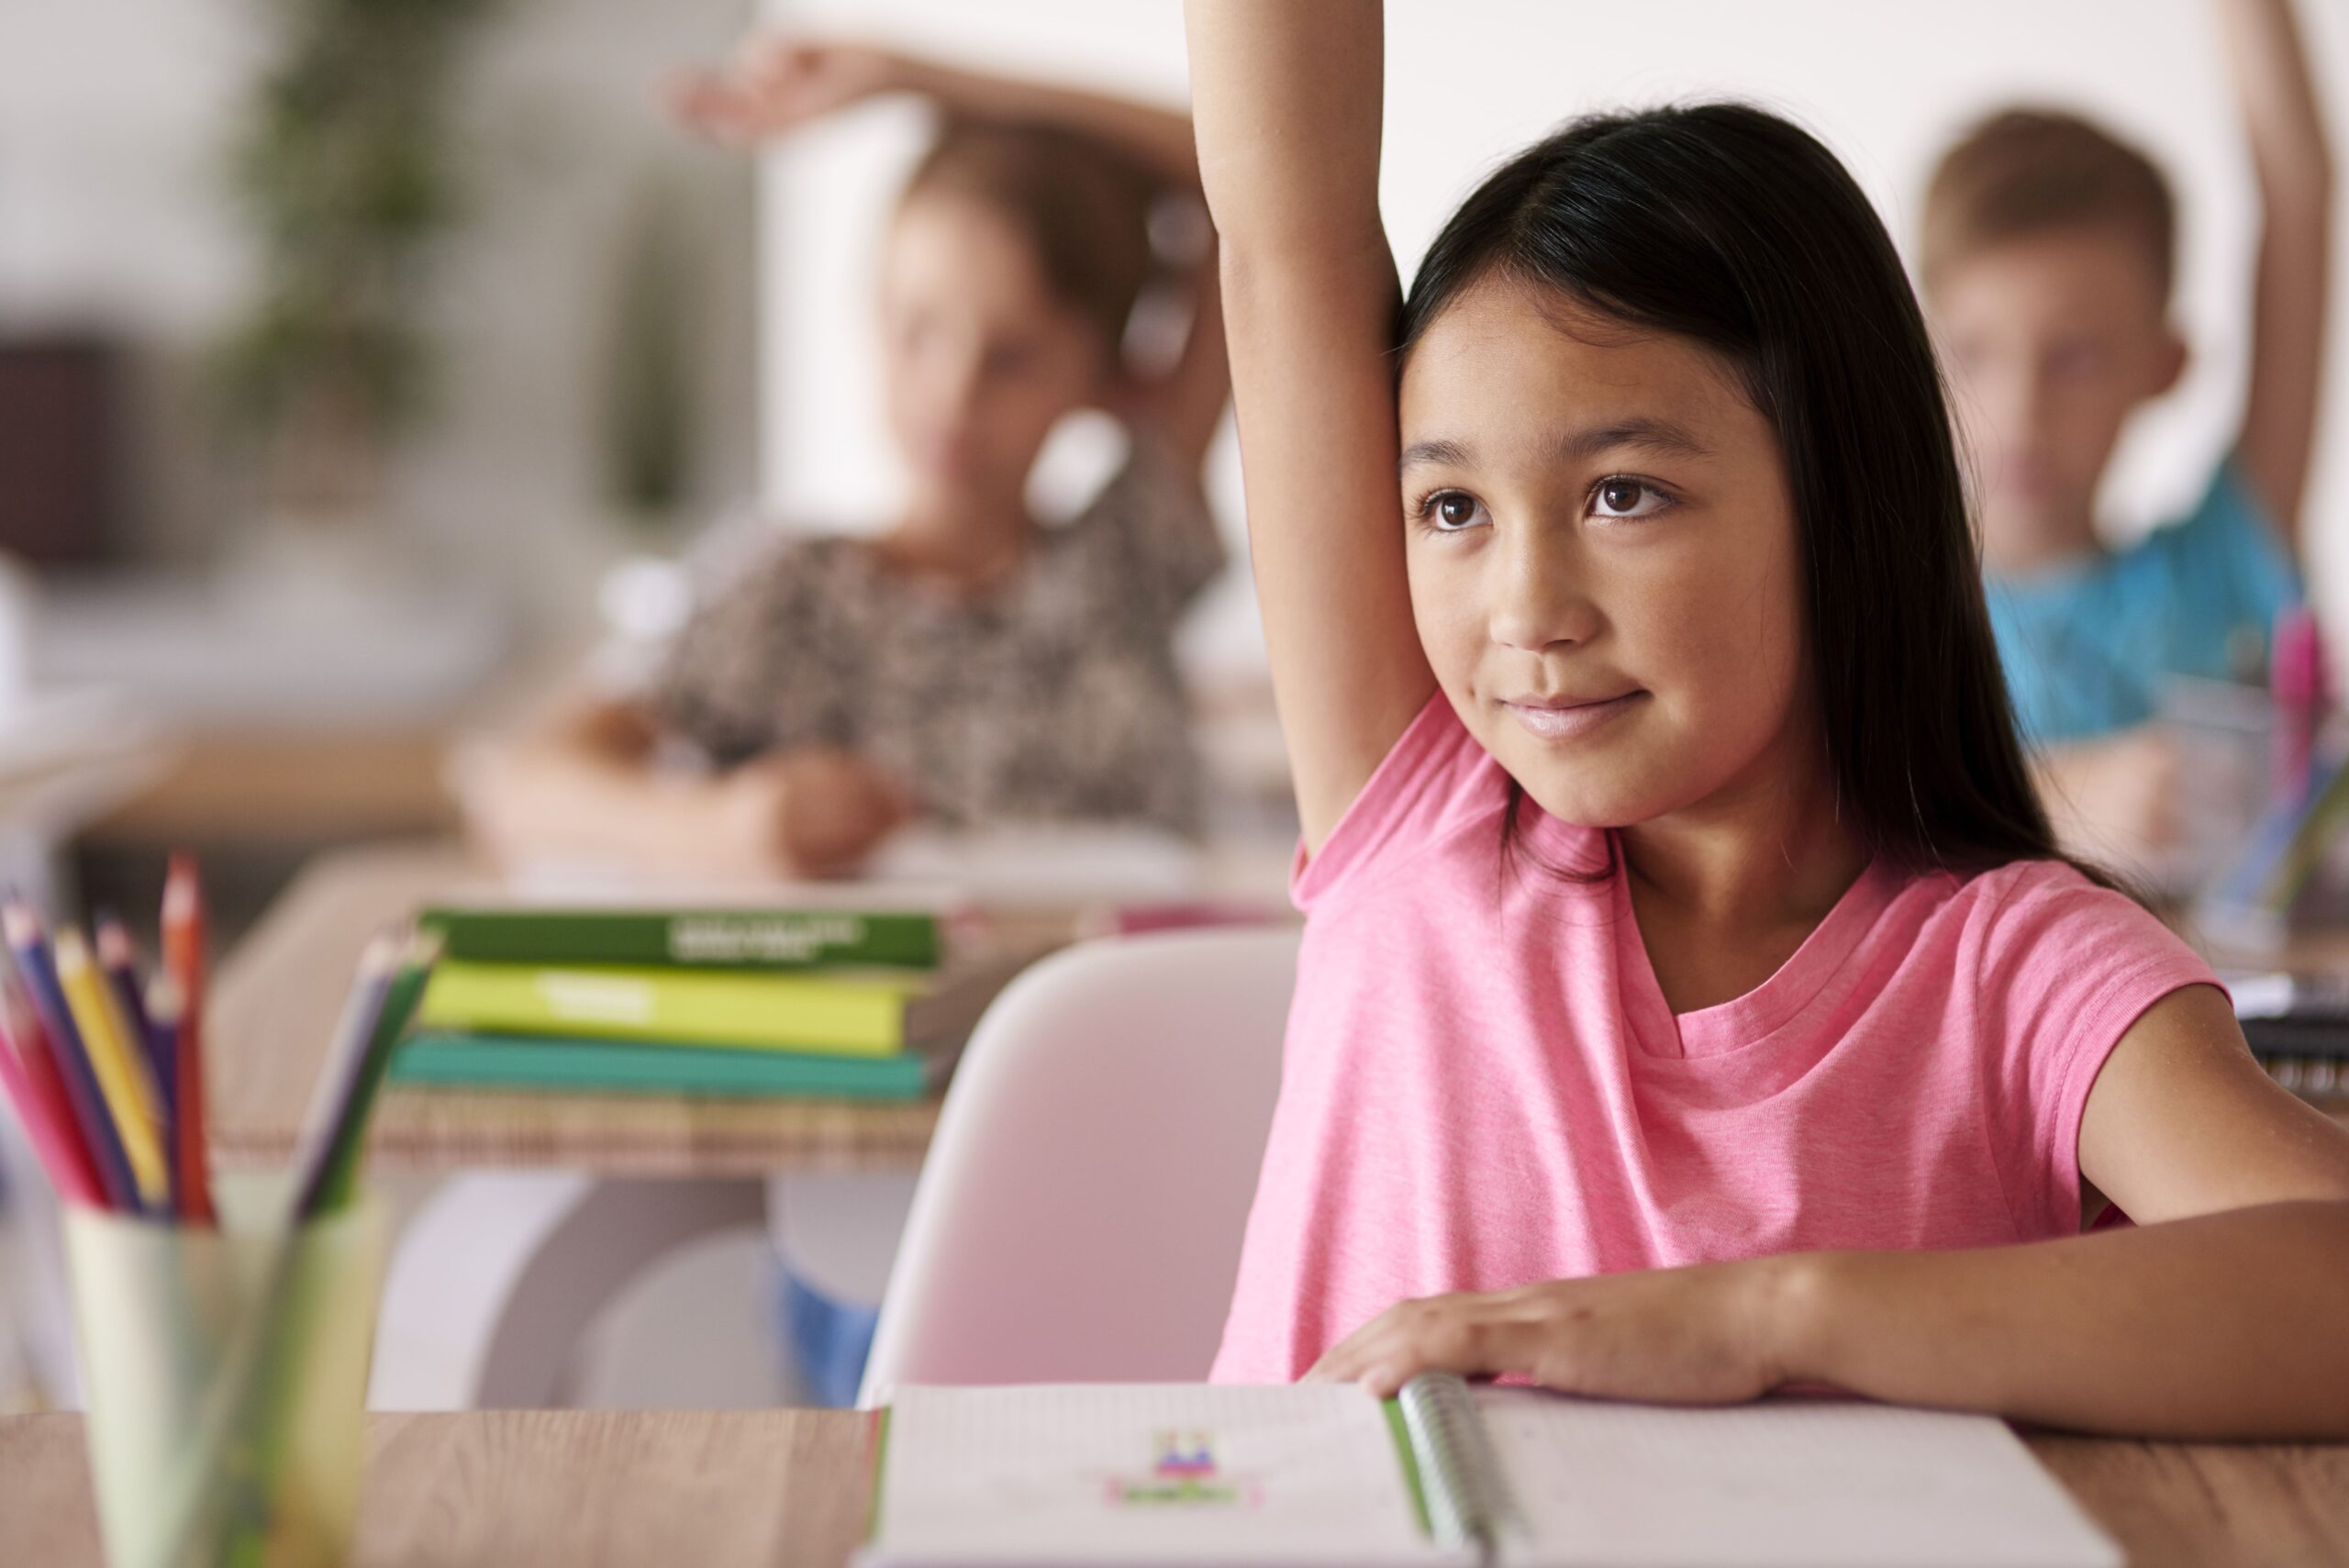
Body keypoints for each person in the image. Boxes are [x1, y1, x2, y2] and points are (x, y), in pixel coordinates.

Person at [1185, 1, 2349, 1435]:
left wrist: (1766, 1316)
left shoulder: (2019, 969)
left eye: (1624, 495)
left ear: (1839, 500)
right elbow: (1281, 218)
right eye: (1453, 509)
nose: (1526, 605)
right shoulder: (1416, 803)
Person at [460, 40, 1231, 881]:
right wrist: (728, 825)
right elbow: (516, 788)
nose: (952, 394)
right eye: (915, 329)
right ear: (868, 315)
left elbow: (1244, 180)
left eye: (1011, 356)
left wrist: (923, 80)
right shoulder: (785, 593)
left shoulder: (1126, 556)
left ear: (1109, 376)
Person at [1923, 0, 2332, 862]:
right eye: (1974, 351)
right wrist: (2061, 797)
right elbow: (1830, 813)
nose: (2021, 408)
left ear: (2165, 363)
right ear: (1912, 352)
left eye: (2072, 358)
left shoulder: (2218, 566)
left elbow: (2301, 194)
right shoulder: (1877, 603)